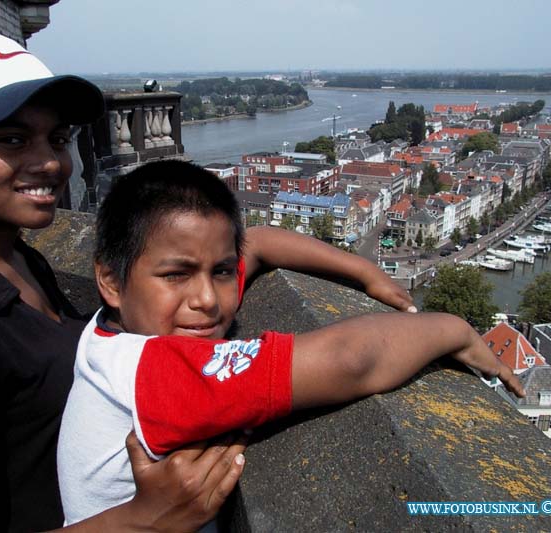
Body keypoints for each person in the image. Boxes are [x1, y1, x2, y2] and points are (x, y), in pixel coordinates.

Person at [0, 33, 248, 532]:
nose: (51, 162)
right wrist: (143, 520)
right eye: (12, 139)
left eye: (57, 139)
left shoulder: (10, 255)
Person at [56, 160, 525, 524]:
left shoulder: (110, 333)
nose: (207, 299)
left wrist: (365, 272)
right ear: (111, 281)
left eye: (220, 272)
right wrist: (454, 329)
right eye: (176, 274)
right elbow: (351, 360)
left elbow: (255, 243)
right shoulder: (147, 369)